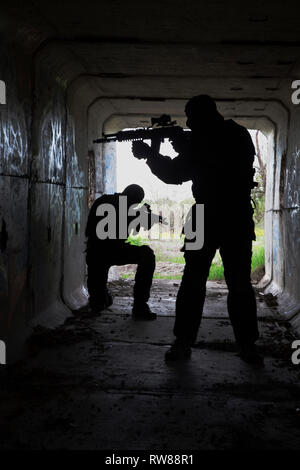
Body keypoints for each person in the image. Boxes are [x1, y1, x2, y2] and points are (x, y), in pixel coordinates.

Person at [132, 95, 263, 364]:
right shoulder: (203, 140)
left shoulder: (234, 134)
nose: (190, 123)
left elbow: (224, 166)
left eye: (192, 117)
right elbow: (175, 174)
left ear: (205, 116)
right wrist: (153, 156)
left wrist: (185, 149)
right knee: (196, 281)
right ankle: (186, 342)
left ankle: (244, 344)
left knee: (234, 283)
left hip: (230, 214)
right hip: (211, 215)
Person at [85, 184, 160, 320]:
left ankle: (136, 305)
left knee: (98, 302)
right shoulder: (120, 207)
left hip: (98, 253)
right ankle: (139, 306)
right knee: (147, 255)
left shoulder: (104, 201)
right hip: (103, 253)